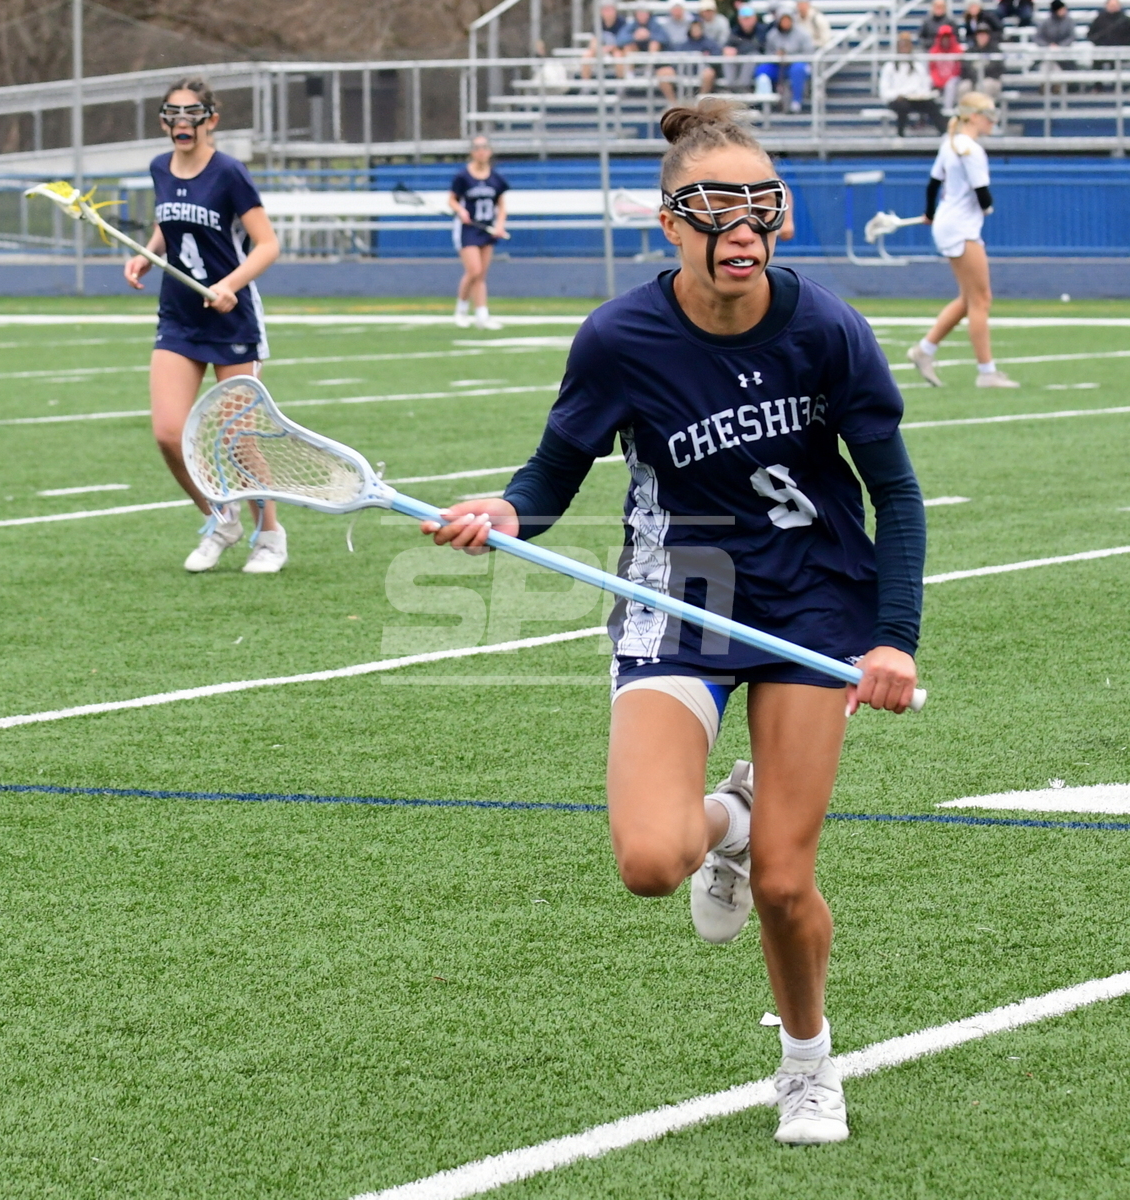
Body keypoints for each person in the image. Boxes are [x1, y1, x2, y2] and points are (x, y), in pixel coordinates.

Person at [420, 97, 925, 1146]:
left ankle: (806, 1064)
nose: (741, 230)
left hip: (810, 600)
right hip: (679, 594)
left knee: (784, 884)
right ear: (669, 223)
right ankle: (725, 820)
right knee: (652, 862)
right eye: (714, 209)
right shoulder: (620, 338)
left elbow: (895, 494)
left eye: (759, 207)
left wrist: (892, 638)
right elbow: (552, 470)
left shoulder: (826, 329)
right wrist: (506, 511)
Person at [124, 76, 284, 575]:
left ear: (210, 120)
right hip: (179, 316)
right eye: (172, 113)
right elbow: (169, 222)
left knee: (237, 438)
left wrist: (230, 284)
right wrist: (148, 253)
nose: (180, 122)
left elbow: (267, 244)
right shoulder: (159, 167)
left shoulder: (230, 173)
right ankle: (220, 517)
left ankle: (270, 536)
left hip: (231, 318)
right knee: (169, 434)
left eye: (190, 113)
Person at [908, 92, 1019, 388]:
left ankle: (924, 350)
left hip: (950, 223)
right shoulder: (971, 149)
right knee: (981, 299)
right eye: (989, 115)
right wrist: (988, 208)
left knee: (969, 299)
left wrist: (930, 213)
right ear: (973, 116)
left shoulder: (950, 144)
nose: (992, 121)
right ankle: (987, 372)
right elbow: (983, 194)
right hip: (961, 227)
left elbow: (933, 185)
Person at [448, 135, 509, 332]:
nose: (481, 151)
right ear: (472, 152)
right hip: (467, 229)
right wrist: (461, 211)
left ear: (489, 151)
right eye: (477, 148)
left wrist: (500, 225)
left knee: (481, 274)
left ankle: (482, 316)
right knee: (474, 271)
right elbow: (452, 200)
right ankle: (461, 310)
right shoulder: (463, 177)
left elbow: (501, 205)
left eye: (484, 147)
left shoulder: (496, 178)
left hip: (486, 229)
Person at [881, 31, 946, 135]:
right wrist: (897, 95)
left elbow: (925, 86)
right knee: (902, 106)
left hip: (915, 99)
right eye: (902, 45)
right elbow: (884, 91)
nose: (904, 49)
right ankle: (900, 135)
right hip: (897, 99)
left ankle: (945, 133)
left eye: (907, 45)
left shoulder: (917, 66)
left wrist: (920, 94)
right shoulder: (889, 67)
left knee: (932, 105)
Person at [758, 3, 815, 111]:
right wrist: (776, 56)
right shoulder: (772, 35)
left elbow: (808, 53)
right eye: (783, 20)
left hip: (796, 65)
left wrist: (789, 57)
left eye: (788, 20)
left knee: (798, 69)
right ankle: (764, 102)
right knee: (762, 70)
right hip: (778, 66)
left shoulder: (803, 34)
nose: (785, 23)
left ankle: (796, 101)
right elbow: (768, 53)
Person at [660, 19, 722, 100]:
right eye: (694, 28)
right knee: (663, 72)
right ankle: (673, 103)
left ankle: (700, 100)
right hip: (682, 71)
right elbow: (674, 59)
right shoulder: (683, 45)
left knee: (709, 73)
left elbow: (716, 59)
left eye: (698, 28)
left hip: (701, 71)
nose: (696, 30)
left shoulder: (710, 44)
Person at [723, 4, 769, 89]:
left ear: (755, 18)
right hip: (739, 60)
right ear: (739, 20)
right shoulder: (735, 31)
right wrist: (727, 49)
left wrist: (738, 49)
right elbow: (728, 45)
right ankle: (731, 86)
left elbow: (758, 46)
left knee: (752, 56)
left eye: (749, 18)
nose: (746, 21)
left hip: (758, 62)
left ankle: (743, 87)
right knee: (728, 57)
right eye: (744, 19)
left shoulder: (761, 30)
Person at [580, 2, 627, 78]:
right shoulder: (597, 22)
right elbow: (594, 40)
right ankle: (585, 81)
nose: (607, 13)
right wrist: (599, 49)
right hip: (600, 49)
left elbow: (622, 41)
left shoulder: (621, 22)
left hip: (616, 49)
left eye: (609, 10)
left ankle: (620, 80)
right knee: (586, 55)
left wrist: (609, 48)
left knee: (618, 56)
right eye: (605, 10)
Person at [960, 24, 1004, 98]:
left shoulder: (995, 50)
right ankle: (966, 106)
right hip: (972, 79)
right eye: (980, 35)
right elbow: (965, 68)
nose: (982, 37)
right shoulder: (970, 51)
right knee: (964, 87)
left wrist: (982, 74)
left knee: (984, 85)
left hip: (991, 80)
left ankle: (984, 106)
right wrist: (975, 76)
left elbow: (998, 69)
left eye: (984, 35)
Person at [929, 23, 965, 109]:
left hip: (953, 78)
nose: (945, 40)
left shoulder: (958, 50)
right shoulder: (934, 51)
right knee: (928, 81)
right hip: (938, 78)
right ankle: (927, 109)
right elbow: (932, 69)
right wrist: (938, 80)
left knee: (950, 84)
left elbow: (958, 69)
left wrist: (946, 79)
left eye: (947, 37)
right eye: (943, 38)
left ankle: (947, 109)